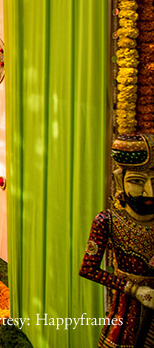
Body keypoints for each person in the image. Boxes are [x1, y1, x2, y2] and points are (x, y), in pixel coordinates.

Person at [80, 133, 154, 348]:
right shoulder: (107, 221)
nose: (150, 191)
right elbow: (88, 269)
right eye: (137, 181)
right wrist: (135, 290)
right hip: (125, 314)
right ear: (120, 180)